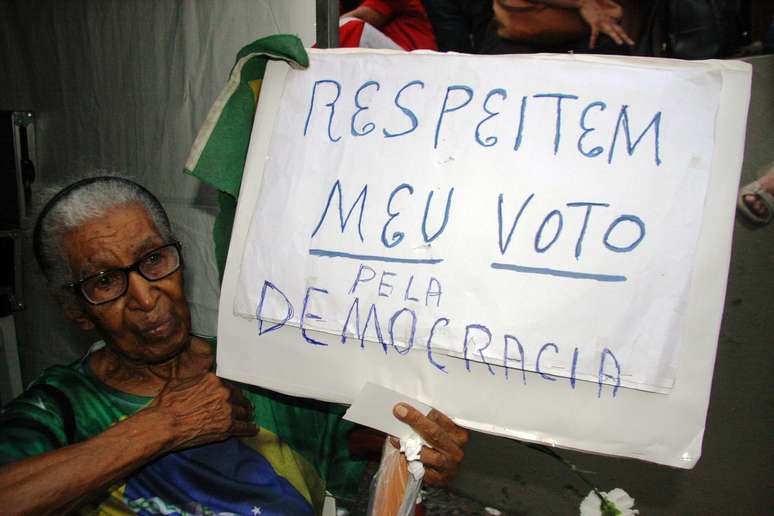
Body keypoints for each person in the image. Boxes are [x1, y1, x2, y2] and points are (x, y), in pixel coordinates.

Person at [0, 176, 468, 514]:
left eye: (154, 259)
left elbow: (373, 470)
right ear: (76, 310)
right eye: (105, 281)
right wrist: (164, 426)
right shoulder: (61, 407)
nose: (145, 297)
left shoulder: (262, 368)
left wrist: (419, 458)